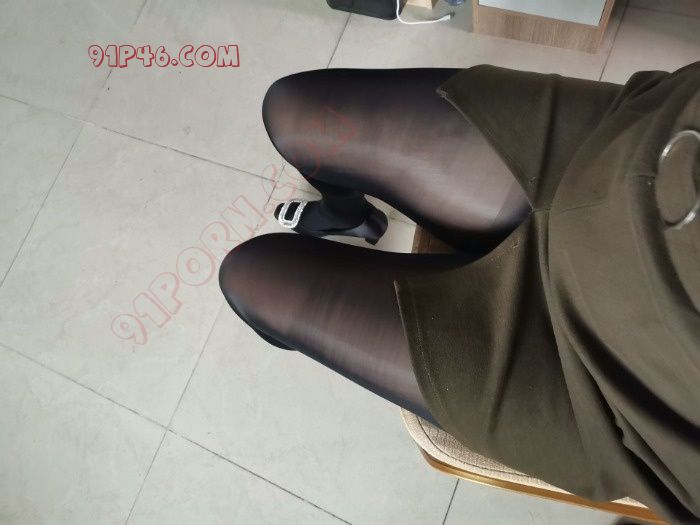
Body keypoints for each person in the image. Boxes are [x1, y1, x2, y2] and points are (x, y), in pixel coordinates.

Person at [219, 65, 700, 523]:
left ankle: (344, 248)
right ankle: (346, 214)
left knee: (250, 276)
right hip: (631, 156)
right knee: (293, 111)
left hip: (616, 396)